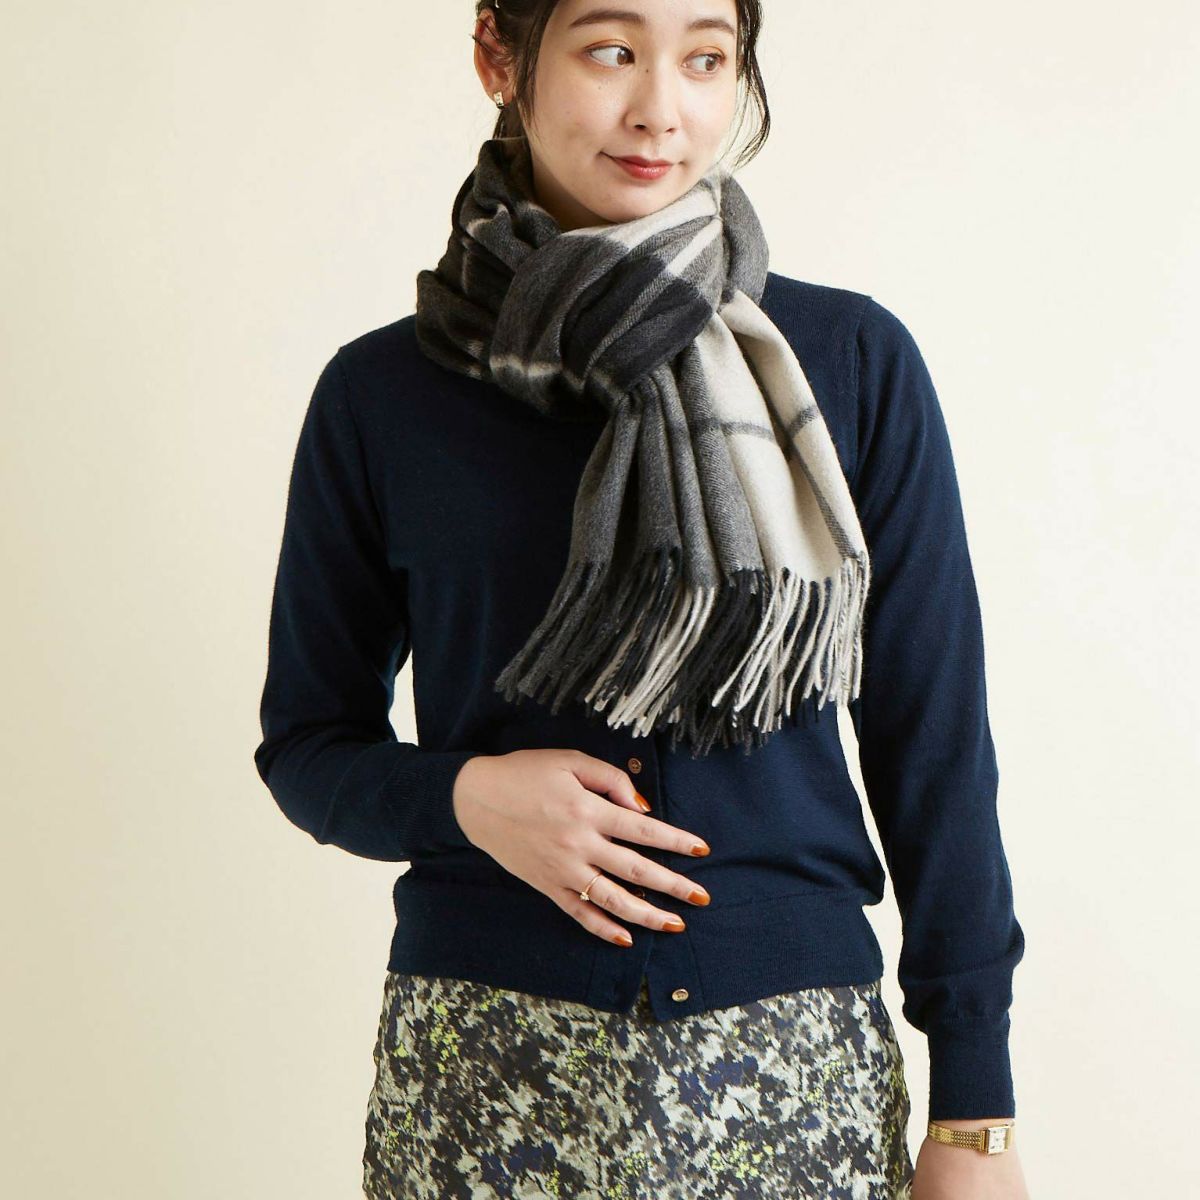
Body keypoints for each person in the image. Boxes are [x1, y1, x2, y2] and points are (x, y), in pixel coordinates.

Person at [253, 2, 1031, 1197]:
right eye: (611, 51)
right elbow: (309, 745)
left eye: (706, 59)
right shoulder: (381, 396)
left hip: (795, 1074)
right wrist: (467, 799)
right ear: (500, 56)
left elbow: (935, 746)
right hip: (487, 1072)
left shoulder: (848, 364)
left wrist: (976, 1114)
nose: (660, 110)